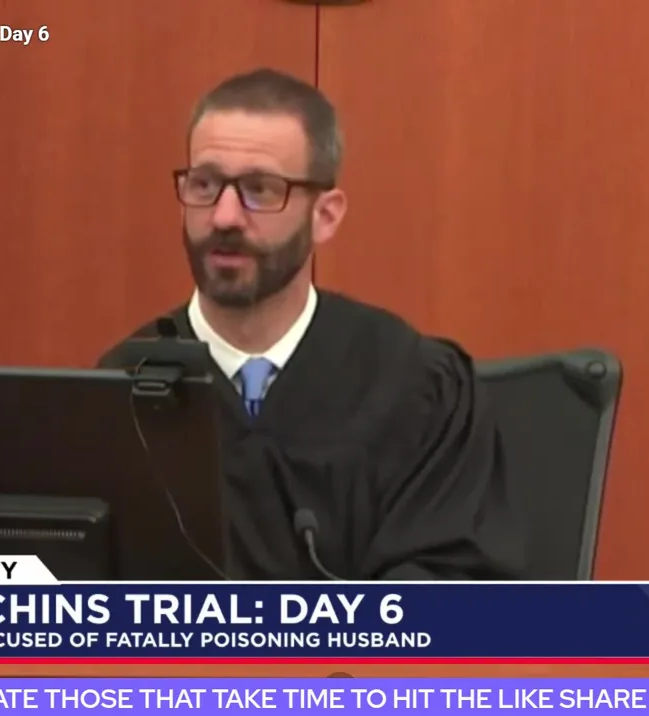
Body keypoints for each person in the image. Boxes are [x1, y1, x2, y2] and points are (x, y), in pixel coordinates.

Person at [98, 68, 525, 581]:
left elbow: (450, 587)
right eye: (205, 185)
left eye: (260, 189)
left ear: (326, 215)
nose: (225, 216)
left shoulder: (417, 385)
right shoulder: (117, 391)